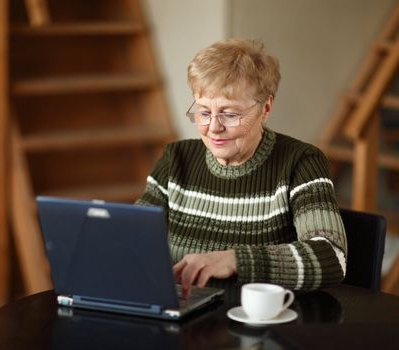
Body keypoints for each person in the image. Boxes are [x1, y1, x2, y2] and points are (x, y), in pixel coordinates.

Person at [135, 38, 347, 296]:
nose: (213, 127)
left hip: (262, 325)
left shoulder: (300, 162)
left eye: (230, 114)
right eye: (203, 112)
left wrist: (235, 260)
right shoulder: (175, 159)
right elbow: (131, 236)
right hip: (184, 317)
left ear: (265, 108)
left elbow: (332, 256)